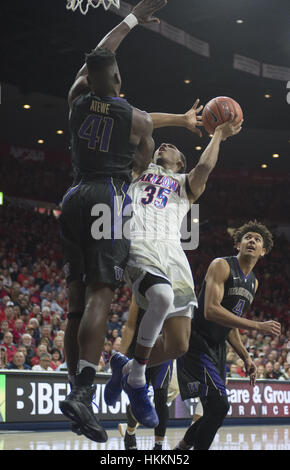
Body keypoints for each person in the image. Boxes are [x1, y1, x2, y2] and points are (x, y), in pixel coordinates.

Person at [59, 0, 168, 444]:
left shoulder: (77, 97)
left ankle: (75, 390)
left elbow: (99, 55)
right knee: (101, 293)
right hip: (109, 195)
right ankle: (85, 392)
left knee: (74, 302)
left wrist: (130, 20)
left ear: (90, 78)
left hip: (73, 195)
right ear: (119, 82)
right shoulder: (138, 120)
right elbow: (139, 171)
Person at [105, 117, 243, 427]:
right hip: (140, 243)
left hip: (174, 256)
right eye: (162, 146)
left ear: (180, 163)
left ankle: (126, 370)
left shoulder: (185, 185)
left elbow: (205, 168)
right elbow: (139, 123)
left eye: (173, 148)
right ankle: (137, 378)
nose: (164, 145)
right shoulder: (141, 170)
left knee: (179, 344)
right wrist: (180, 121)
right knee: (161, 296)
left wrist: (219, 133)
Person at [174, 220, 281, 450]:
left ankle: (181, 449)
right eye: (248, 237)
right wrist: (257, 326)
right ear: (238, 244)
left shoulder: (253, 283)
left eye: (258, 239)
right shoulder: (221, 265)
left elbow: (230, 323)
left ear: (263, 252)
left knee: (215, 409)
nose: (252, 240)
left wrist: (246, 356)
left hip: (218, 347)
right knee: (219, 405)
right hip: (197, 340)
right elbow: (211, 310)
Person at [117, 296, 172, 450]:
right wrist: (120, 356)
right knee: (138, 397)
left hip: (163, 350)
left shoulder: (174, 289)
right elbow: (130, 326)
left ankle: (158, 445)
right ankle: (130, 431)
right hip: (140, 349)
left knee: (161, 396)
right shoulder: (140, 291)